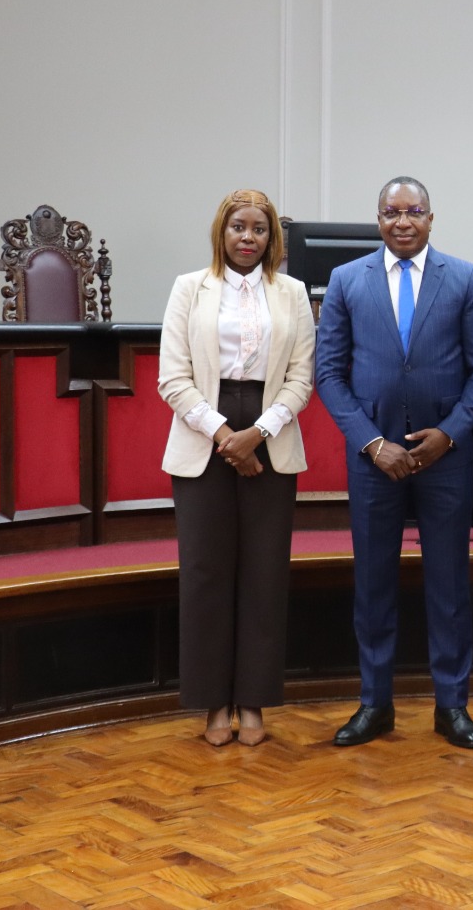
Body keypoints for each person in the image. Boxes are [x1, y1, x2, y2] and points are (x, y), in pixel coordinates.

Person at [315, 176, 473, 750]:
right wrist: (373, 443)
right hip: (374, 461)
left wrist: (448, 434)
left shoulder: (465, 278)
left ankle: (452, 706)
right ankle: (375, 704)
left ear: (430, 217)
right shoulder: (347, 281)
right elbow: (329, 374)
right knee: (373, 586)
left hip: (444, 459)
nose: (403, 222)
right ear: (378, 219)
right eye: (392, 212)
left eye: (413, 211)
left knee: (449, 586)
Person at [158, 188, 316, 747]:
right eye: (238, 227)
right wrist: (227, 435)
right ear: (220, 233)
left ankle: (253, 702)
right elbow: (171, 378)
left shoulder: (293, 293)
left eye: (259, 229)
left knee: (264, 574)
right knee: (206, 574)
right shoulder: (188, 289)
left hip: (269, 435)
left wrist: (258, 434)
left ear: (273, 239)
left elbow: (302, 378)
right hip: (206, 438)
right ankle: (212, 705)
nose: (247, 238)